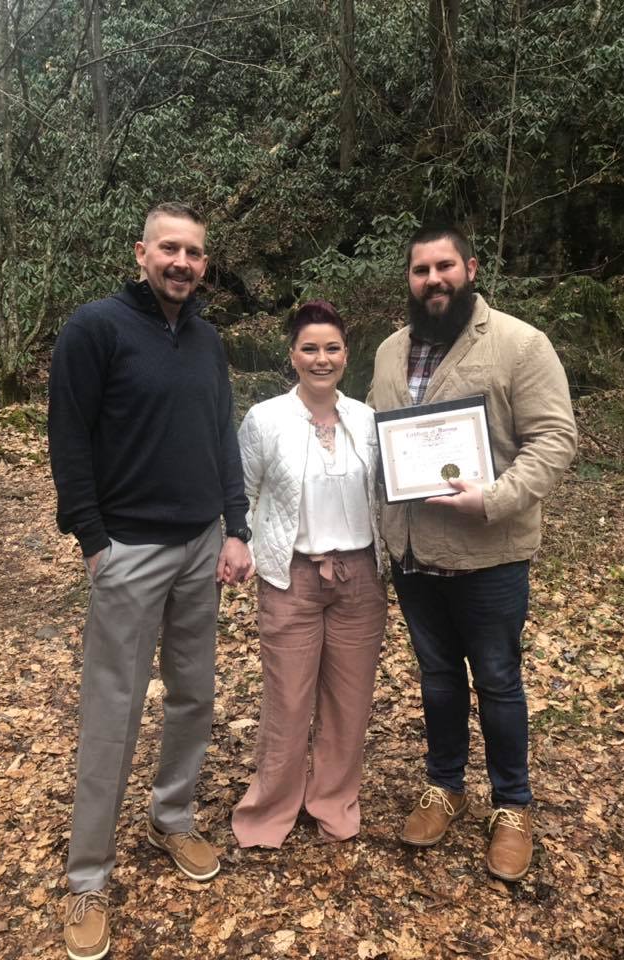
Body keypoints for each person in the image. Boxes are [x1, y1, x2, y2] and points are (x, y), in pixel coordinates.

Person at [48, 202, 253, 960]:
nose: (182, 263)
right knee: (114, 708)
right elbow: (68, 436)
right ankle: (88, 878)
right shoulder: (95, 329)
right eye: (169, 248)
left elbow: (221, 434)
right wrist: (92, 540)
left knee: (193, 694)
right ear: (141, 252)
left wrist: (236, 525)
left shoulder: (207, 341)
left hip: (201, 545)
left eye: (194, 253)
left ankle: (172, 816)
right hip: (128, 550)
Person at [367, 224, 577, 881]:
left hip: (488, 553)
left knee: (497, 679)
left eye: (445, 266)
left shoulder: (519, 343)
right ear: (409, 279)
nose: (433, 279)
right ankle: (445, 785)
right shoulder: (390, 351)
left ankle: (512, 805)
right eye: (420, 269)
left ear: (471, 268)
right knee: (437, 677)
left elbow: (555, 438)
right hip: (412, 552)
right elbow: (377, 437)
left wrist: (495, 497)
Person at [231, 300, 387, 849]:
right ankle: (270, 809)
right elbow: (243, 493)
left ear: (346, 354)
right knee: (288, 701)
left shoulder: (366, 419)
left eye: (332, 348)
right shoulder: (265, 419)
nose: (322, 359)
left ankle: (334, 800)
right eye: (310, 348)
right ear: (293, 355)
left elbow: (388, 490)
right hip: (291, 577)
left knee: (349, 700)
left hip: (359, 577)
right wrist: (243, 545)